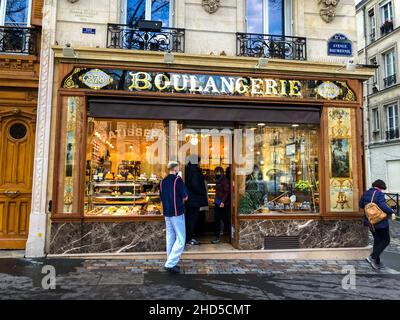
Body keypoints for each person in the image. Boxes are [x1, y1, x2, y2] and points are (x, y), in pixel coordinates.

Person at [160, 161, 188, 274]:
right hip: (176, 212)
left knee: (170, 237)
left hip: (166, 212)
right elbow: (185, 196)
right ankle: (170, 264)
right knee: (181, 239)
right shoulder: (178, 180)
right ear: (175, 168)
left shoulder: (162, 181)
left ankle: (171, 260)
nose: (179, 168)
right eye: (178, 167)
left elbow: (161, 197)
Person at [359, 179, 394, 270]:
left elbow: (361, 205)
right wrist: (391, 211)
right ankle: (372, 257)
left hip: (370, 221)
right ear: (381, 187)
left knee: (377, 240)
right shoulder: (379, 194)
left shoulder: (366, 193)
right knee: (386, 240)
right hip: (380, 221)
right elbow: (383, 206)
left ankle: (376, 262)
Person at [184, 156, 208, 246]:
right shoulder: (194, 171)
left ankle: (187, 237)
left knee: (189, 219)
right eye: (199, 161)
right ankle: (189, 239)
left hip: (189, 199)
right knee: (192, 219)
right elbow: (195, 185)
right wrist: (202, 192)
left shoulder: (187, 169)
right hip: (194, 199)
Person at [212, 167, 230, 244]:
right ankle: (217, 236)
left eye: (218, 172)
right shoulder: (218, 180)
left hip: (222, 203)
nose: (217, 173)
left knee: (224, 219)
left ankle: (229, 235)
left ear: (222, 172)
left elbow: (226, 192)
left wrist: (222, 202)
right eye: (216, 172)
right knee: (217, 219)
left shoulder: (224, 180)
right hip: (217, 202)